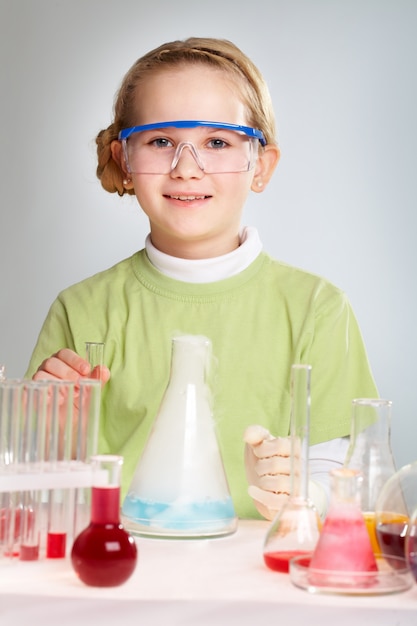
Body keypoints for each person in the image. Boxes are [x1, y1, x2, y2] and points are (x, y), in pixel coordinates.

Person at [25, 37, 378, 520]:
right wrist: (49, 437)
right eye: (160, 141)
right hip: (125, 576)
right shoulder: (81, 309)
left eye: (217, 142)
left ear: (261, 164)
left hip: (262, 580)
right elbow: (41, 496)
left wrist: (303, 494)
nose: (186, 168)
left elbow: (349, 477)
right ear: (125, 160)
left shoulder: (316, 307)